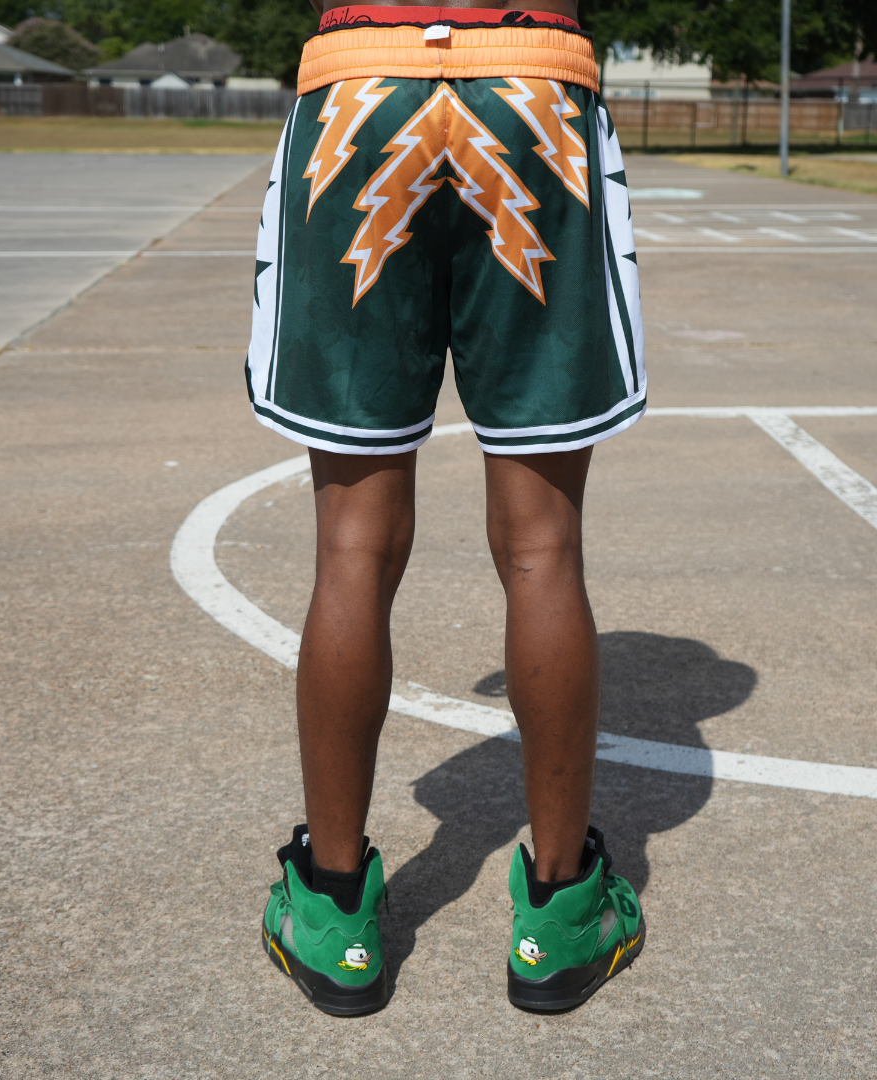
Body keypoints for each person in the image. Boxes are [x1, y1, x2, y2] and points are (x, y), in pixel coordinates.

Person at [247, 0, 647, 1016]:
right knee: (543, 545)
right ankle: (560, 917)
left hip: (361, 87)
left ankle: (333, 913)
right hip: (532, 89)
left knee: (351, 544)